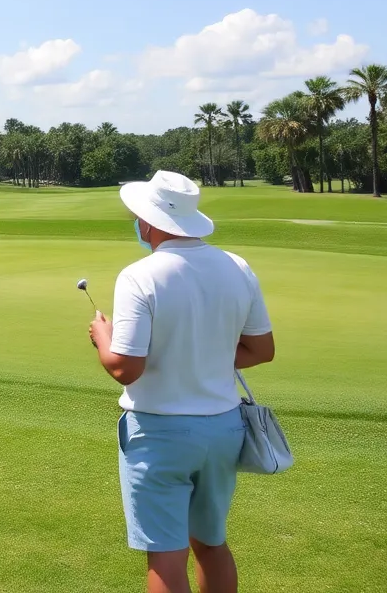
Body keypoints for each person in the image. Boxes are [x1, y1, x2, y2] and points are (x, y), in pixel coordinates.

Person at [88, 170, 276, 593]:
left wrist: (103, 337)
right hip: (224, 429)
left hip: (160, 433)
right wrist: (205, 354)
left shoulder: (140, 275)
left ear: (150, 223)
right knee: (211, 544)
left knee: (166, 558)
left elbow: (125, 368)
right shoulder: (237, 266)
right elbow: (261, 350)